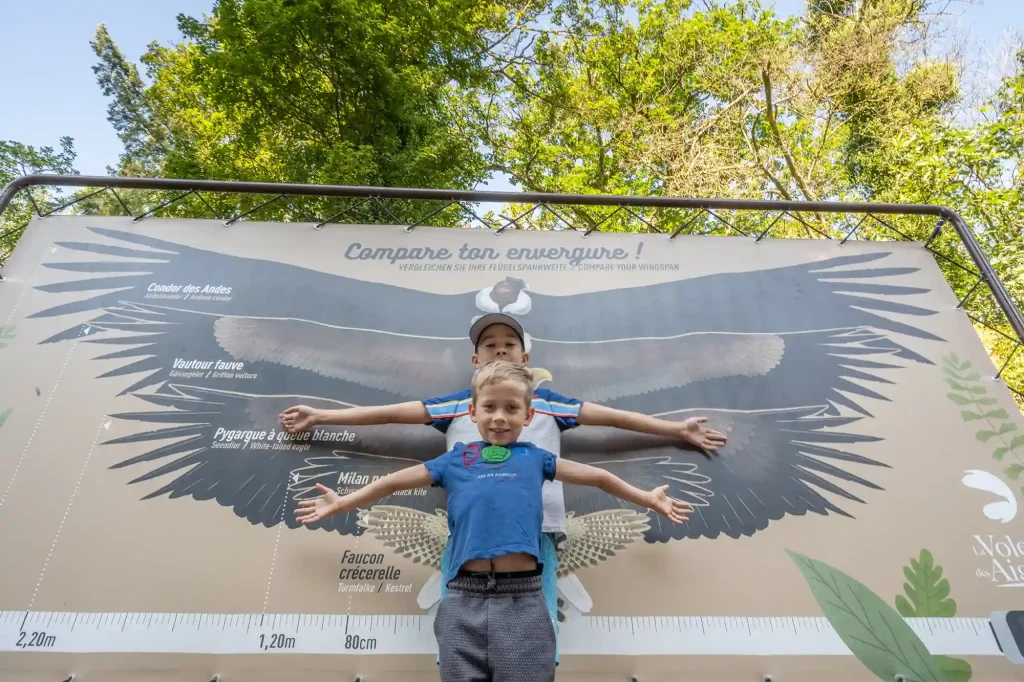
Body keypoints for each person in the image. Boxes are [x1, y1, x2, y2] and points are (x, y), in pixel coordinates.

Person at [280, 312, 727, 655]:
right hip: (470, 531)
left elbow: (613, 420)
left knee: (536, 626)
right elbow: (390, 414)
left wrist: (674, 429)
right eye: (489, 345)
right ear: (475, 362)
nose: (499, 350)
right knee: (462, 625)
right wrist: (322, 416)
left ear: (524, 358)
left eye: (509, 344)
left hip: (540, 529)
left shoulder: (550, 405)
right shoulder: (457, 404)